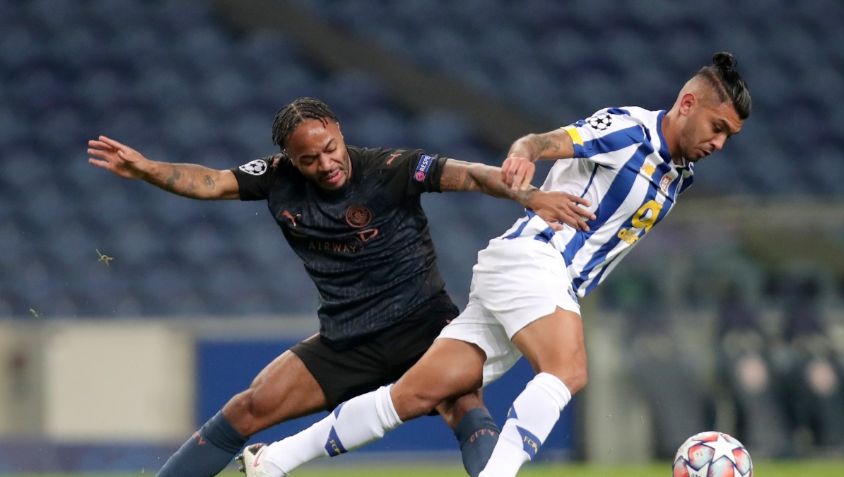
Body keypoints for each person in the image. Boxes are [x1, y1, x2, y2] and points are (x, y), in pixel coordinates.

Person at [237, 52, 752, 477]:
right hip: (534, 260)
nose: (719, 143)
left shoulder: (677, 173)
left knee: (412, 395)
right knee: (567, 370)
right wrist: (524, 153)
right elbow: (547, 142)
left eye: (729, 135)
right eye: (717, 127)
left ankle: (276, 460)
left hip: (533, 278)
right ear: (687, 104)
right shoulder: (628, 130)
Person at [87, 97, 593, 477]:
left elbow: (474, 175)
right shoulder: (275, 178)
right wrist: (148, 170)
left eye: (330, 149)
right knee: (249, 407)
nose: (325, 164)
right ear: (288, 158)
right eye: (309, 160)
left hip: (426, 327)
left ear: (339, 132)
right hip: (346, 337)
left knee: (467, 409)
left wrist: (529, 195)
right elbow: (211, 181)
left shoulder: (391, 168)